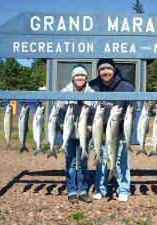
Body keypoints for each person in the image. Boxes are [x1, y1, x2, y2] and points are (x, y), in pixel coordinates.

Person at [89, 58, 137, 202]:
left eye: (108, 68)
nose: (105, 72)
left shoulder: (126, 86)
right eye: (102, 69)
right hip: (100, 131)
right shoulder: (92, 86)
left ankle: (123, 190)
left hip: (119, 130)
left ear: (114, 70)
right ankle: (100, 189)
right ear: (98, 71)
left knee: (121, 160)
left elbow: (133, 107)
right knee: (100, 159)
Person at [56, 64, 95, 204]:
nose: (80, 78)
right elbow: (58, 108)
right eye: (77, 75)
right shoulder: (64, 91)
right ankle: (72, 191)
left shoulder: (91, 93)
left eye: (82, 75)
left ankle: (83, 190)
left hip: (85, 134)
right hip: (70, 134)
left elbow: (95, 112)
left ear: (86, 78)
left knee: (83, 164)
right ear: (73, 78)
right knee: (71, 164)